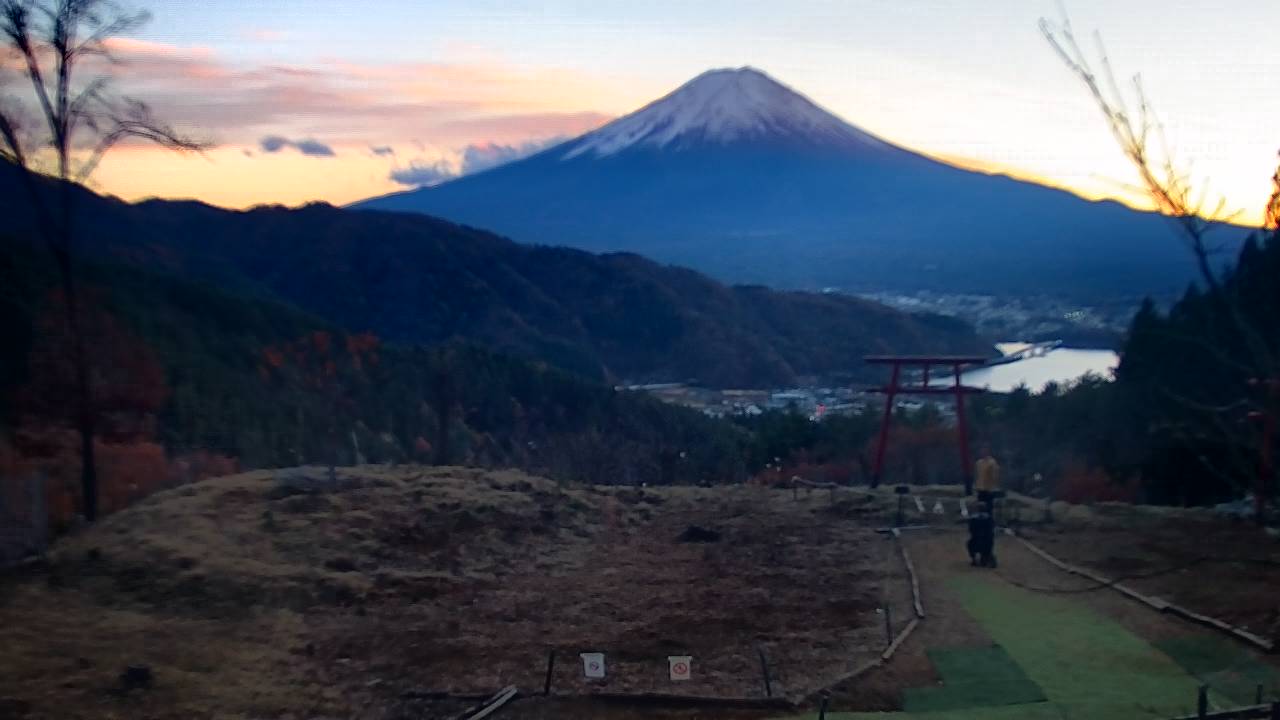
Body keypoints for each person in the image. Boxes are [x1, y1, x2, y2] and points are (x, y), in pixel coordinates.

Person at [974, 444, 1001, 514]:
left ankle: (990, 523)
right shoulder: (978, 463)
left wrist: (994, 486)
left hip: (989, 489)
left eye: (985, 450)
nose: (983, 452)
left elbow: (995, 475)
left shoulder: (992, 462)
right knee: (980, 508)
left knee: (989, 509)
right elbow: (977, 475)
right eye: (982, 450)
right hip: (980, 489)